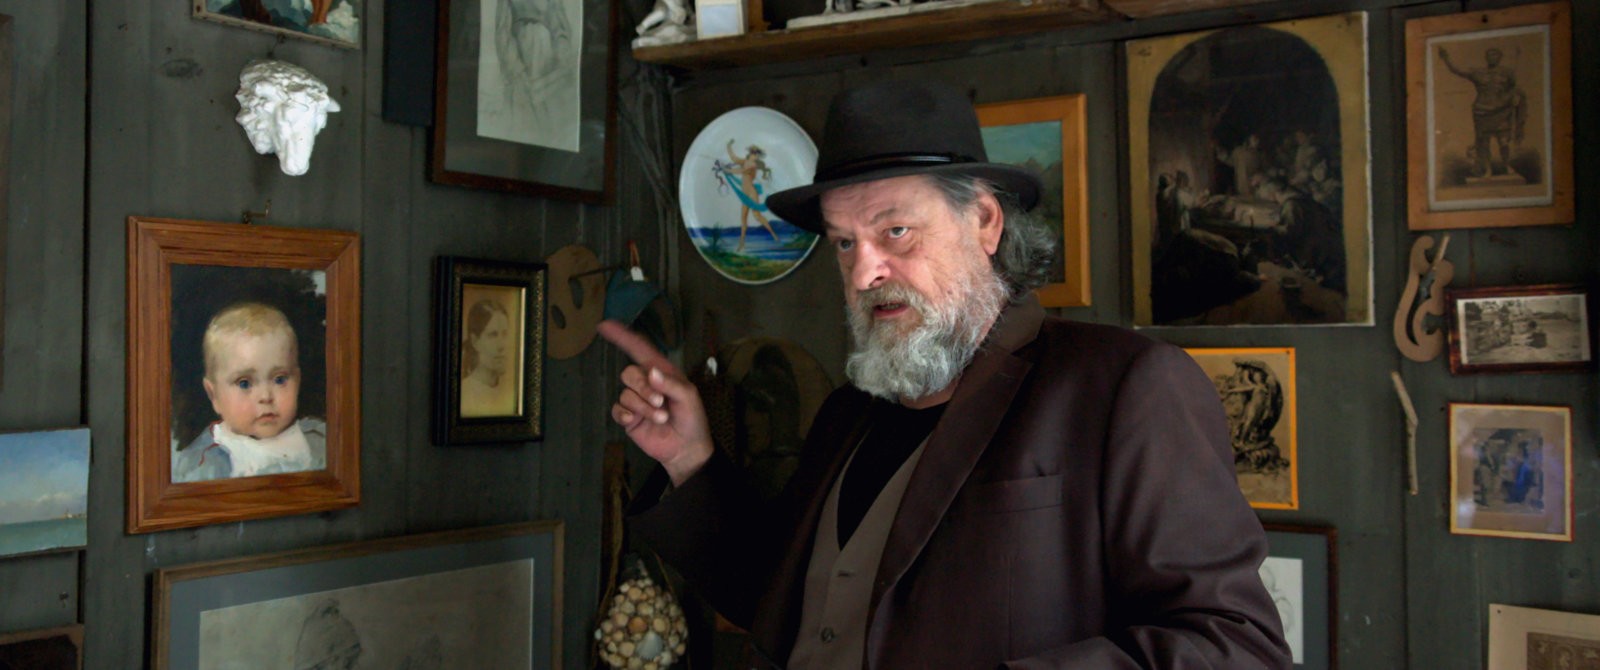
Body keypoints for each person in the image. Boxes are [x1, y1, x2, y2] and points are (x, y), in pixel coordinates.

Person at [601, 80, 1290, 668]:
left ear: (985, 220)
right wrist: (690, 459)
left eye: (895, 232)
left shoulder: (1123, 386)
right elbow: (794, 608)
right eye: (844, 243)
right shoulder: (848, 414)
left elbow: (1235, 647)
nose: (864, 271)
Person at [173, 302, 326, 483]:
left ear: (297, 381)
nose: (266, 397)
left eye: (279, 379)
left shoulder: (321, 439)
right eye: (244, 383)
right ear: (213, 395)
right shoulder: (200, 464)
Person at [1437, 46, 1527, 179]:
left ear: (1499, 58)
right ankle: (1487, 169)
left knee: (1504, 142)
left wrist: (1515, 98)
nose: (1492, 58)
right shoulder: (1478, 73)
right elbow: (1457, 70)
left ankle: (1506, 165)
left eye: (1495, 55)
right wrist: (1446, 59)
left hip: (1501, 112)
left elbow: (1513, 88)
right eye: (1489, 55)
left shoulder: (1507, 73)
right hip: (1482, 111)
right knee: (1483, 144)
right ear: (1486, 58)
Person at [461, 298, 519, 417]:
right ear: (475, 341)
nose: (501, 346)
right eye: (493, 335)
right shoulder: (465, 393)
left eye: (505, 334)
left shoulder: (510, 394)